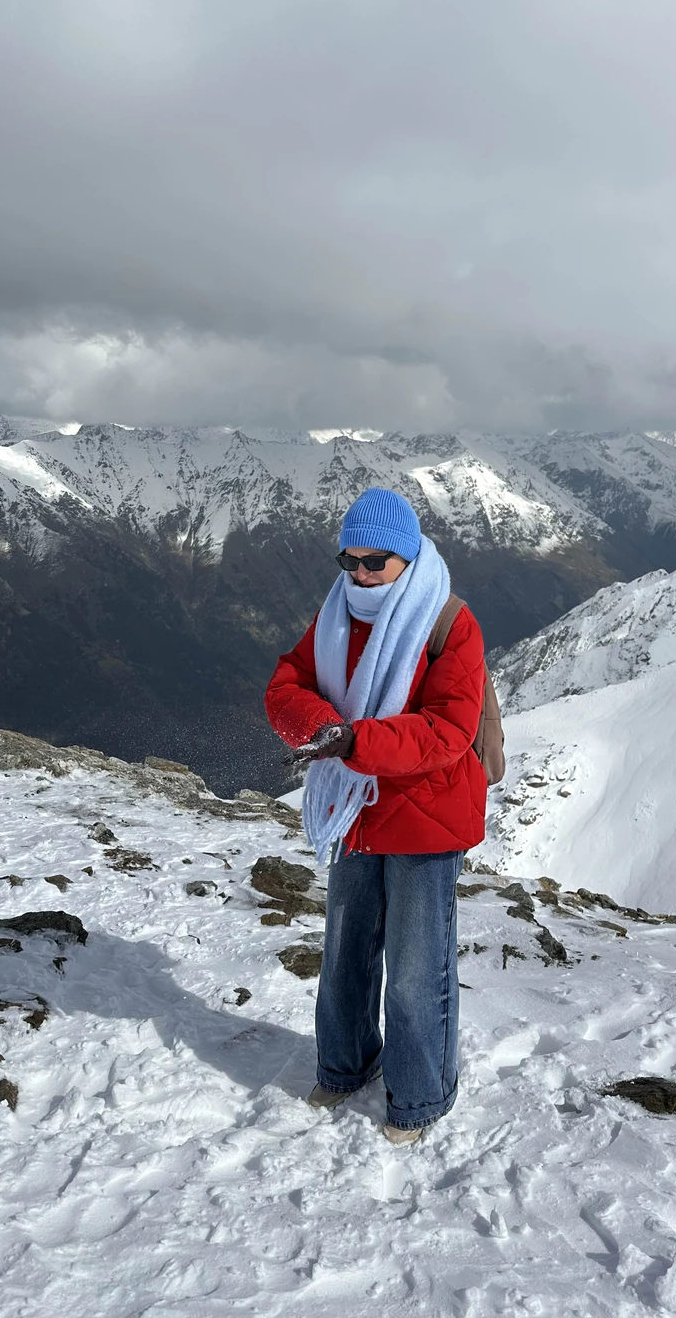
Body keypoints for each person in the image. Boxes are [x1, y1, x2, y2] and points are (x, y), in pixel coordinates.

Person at [264, 487, 488, 1145]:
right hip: (357, 811)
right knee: (346, 954)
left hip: (425, 817)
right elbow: (285, 686)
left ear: (408, 558)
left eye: (376, 562)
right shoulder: (336, 614)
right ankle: (344, 1066)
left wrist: (354, 742)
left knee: (418, 970)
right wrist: (322, 727)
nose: (360, 575)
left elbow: (447, 731)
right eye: (350, 560)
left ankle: (419, 1099)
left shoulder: (450, 623)